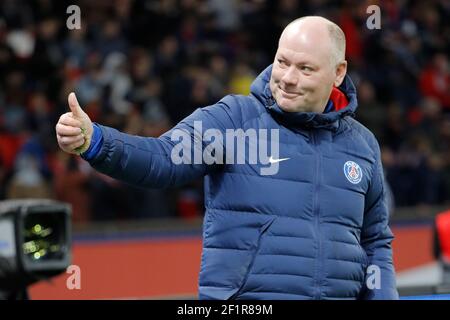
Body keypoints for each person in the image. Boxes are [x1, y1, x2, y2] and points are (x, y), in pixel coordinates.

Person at [55, 16, 399, 300]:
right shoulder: (235, 119)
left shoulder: (362, 145)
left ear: (338, 73)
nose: (289, 79)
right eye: (283, 62)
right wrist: (97, 140)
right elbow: (161, 159)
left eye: (306, 69)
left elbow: (375, 241)